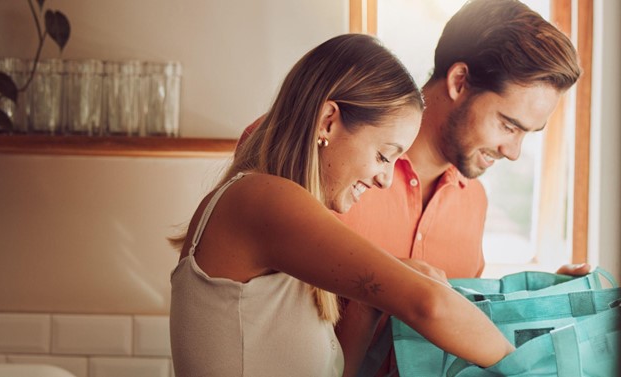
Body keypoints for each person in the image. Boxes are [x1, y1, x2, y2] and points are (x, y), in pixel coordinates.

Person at [237, 1, 586, 376]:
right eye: (508, 125)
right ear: (458, 82)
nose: (514, 152)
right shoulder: (315, 152)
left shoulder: (474, 203)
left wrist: (549, 299)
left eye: (526, 135)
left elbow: (460, 332)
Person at [169, 33, 514, 377]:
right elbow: (430, 304)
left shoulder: (280, 225)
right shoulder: (262, 199)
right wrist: (529, 368)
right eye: (383, 155)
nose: (385, 179)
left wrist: (367, 302)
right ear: (328, 121)